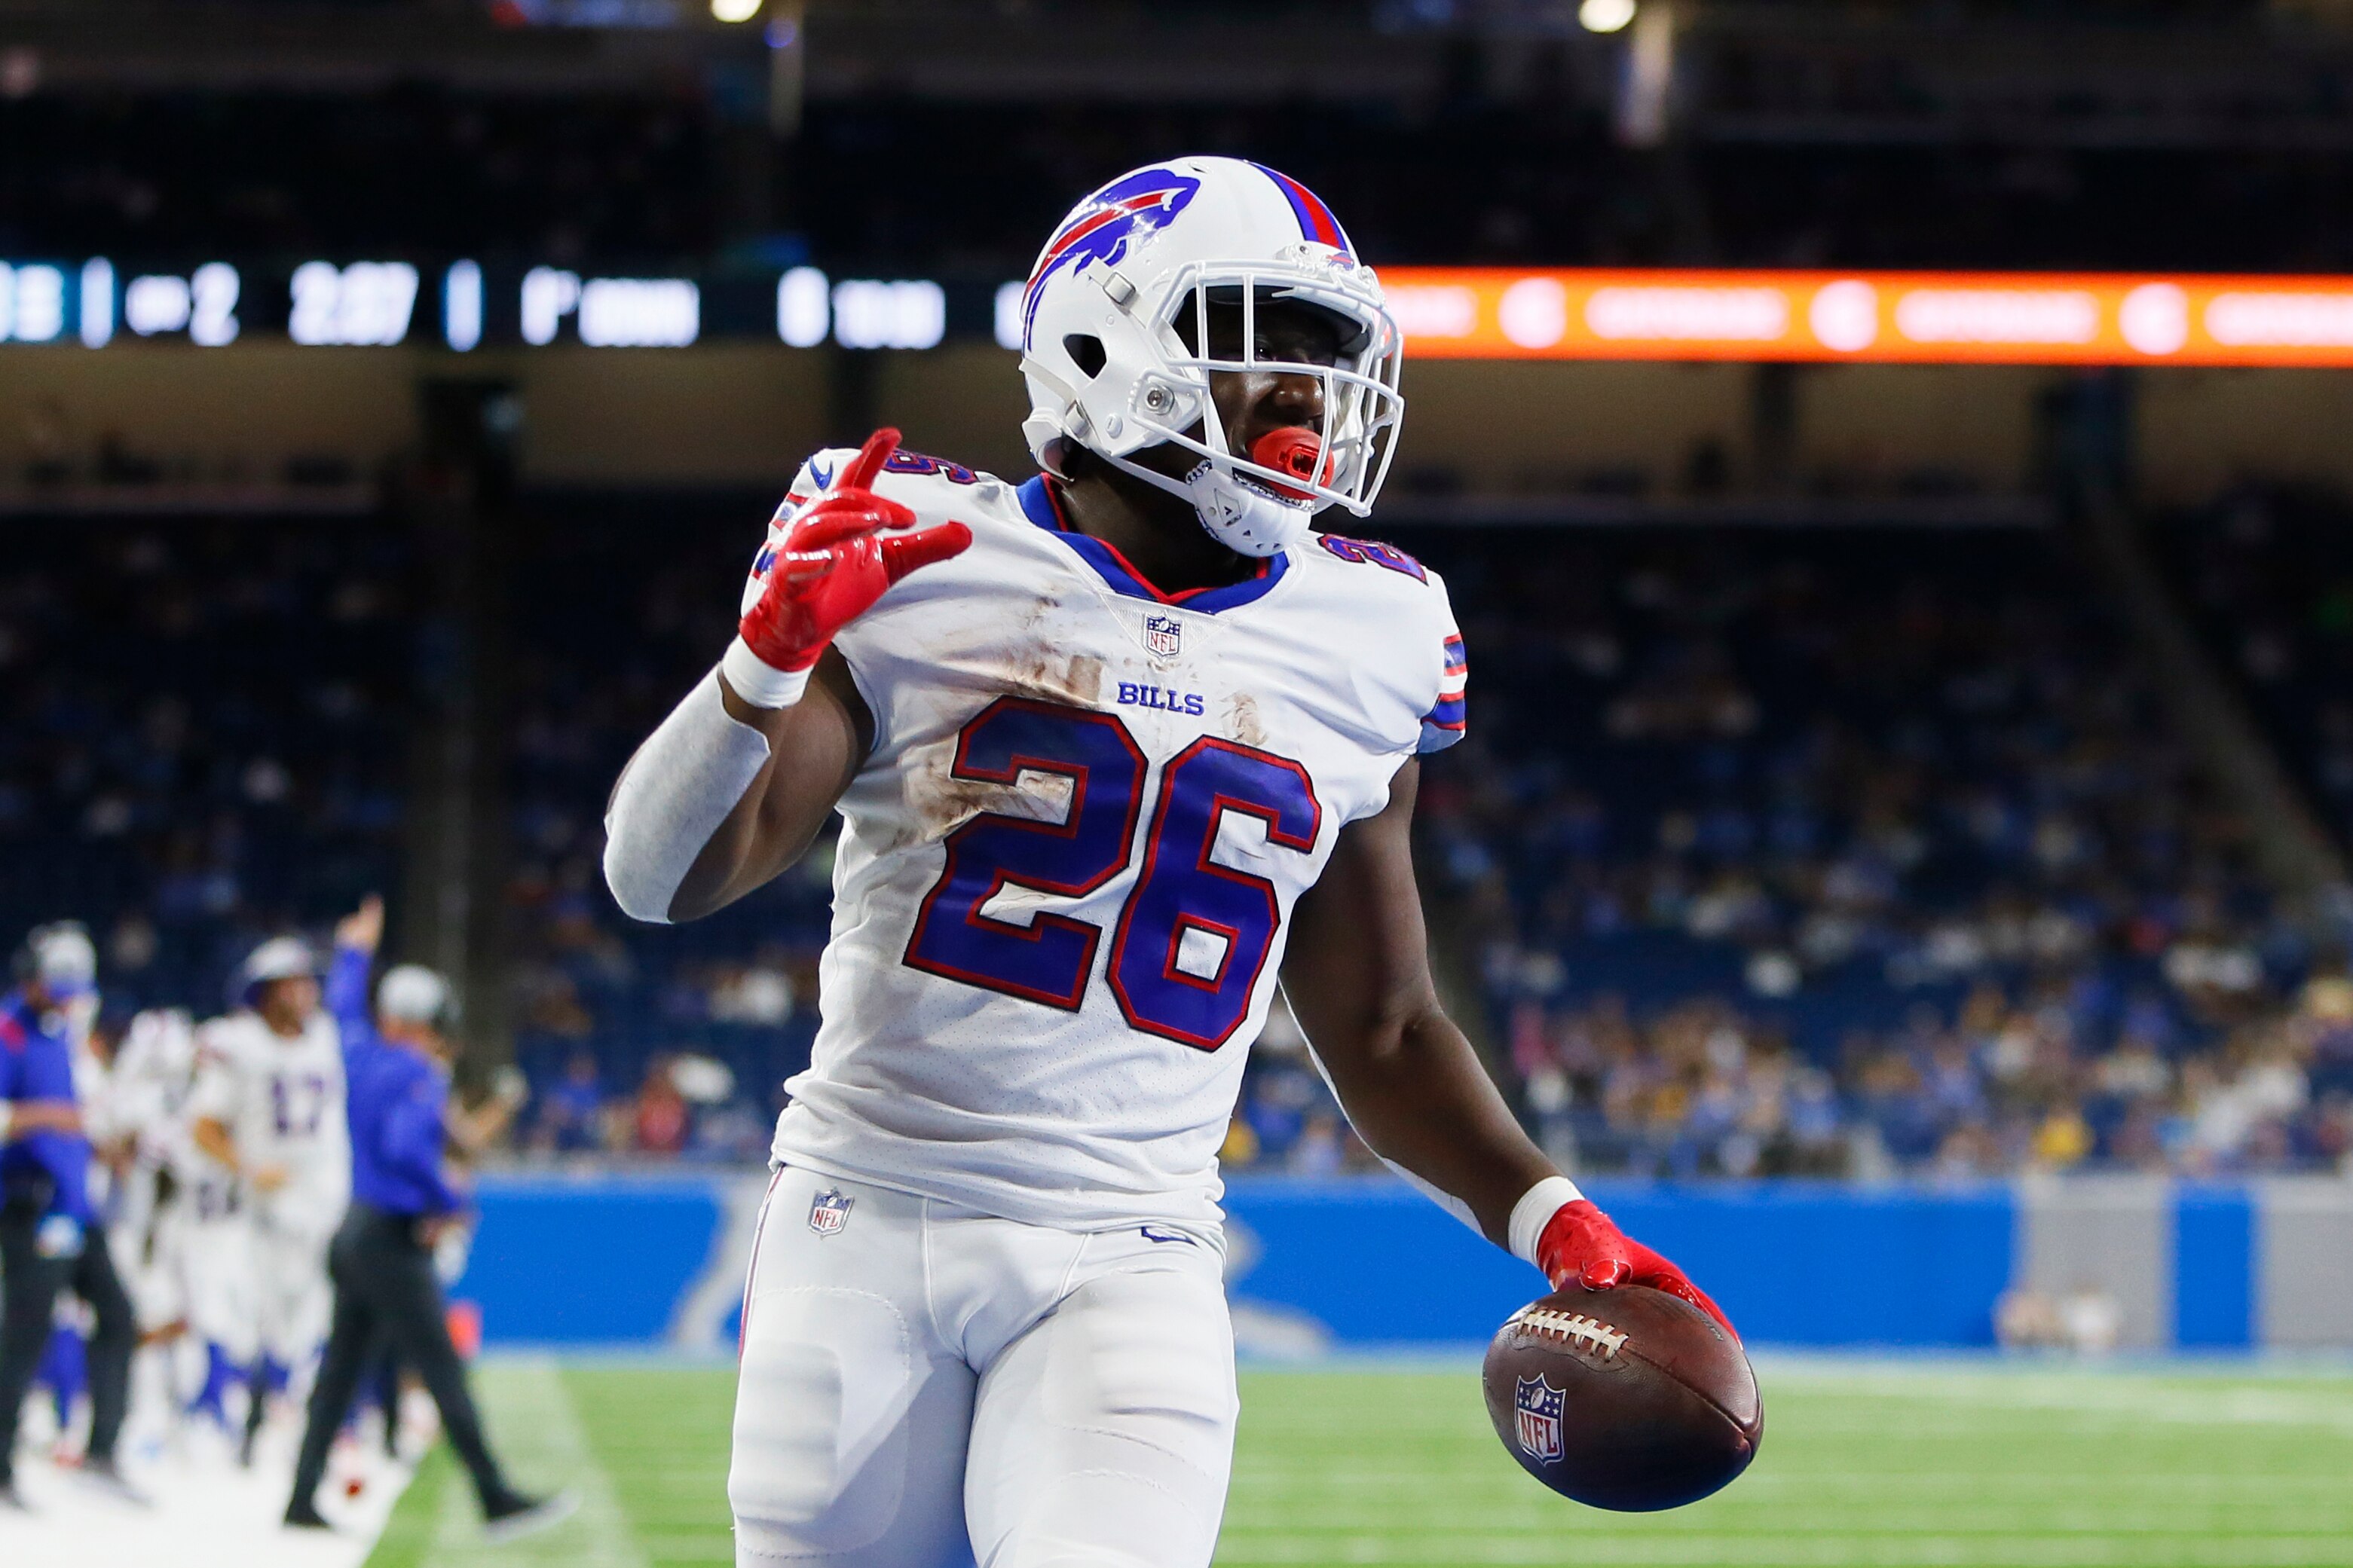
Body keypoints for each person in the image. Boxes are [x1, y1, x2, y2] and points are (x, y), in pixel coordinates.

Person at [601, 156, 1733, 1568]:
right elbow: (662, 878)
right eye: (1267, 342)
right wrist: (758, 666)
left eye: (1329, 352)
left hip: (1126, 1247)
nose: (1311, 394)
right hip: (862, 1218)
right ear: (1103, 345)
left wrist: (1553, 1218)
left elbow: (1379, 1025)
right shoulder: (923, 547)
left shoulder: (1370, 630)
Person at [283, 896, 571, 1538]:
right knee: (441, 1368)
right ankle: (496, 1496)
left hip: (352, 1230)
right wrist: (450, 1200)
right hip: (389, 1237)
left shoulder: (358, 1053)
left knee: (339, 1373)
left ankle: (301, 1496)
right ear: (420, 1020)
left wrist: (355, 951)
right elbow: (408, 1150)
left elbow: (341, 1008)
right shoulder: (419, 1069)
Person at [188, 934, 350, 1463]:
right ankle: (253, 1420)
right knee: (260, 1323)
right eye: (292, 982)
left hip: (326, 1200)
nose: (305, 991)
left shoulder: (327, 1035)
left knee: (320, 1319)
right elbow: (204, 1126)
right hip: (267, 1208)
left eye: (308, 981)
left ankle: (319, 1427)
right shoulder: (240, 1043)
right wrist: (250, 1167)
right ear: (265, 991)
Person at [0, 922, 142, 1509]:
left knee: (118, 1313)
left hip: (73, 1207)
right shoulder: (8, 1030)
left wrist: (96, 1141)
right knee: (25, 1336)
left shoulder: (59, 1030)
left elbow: (71, 1114)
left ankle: (101, 1450)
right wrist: (50, 1117)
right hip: (29, 1205)